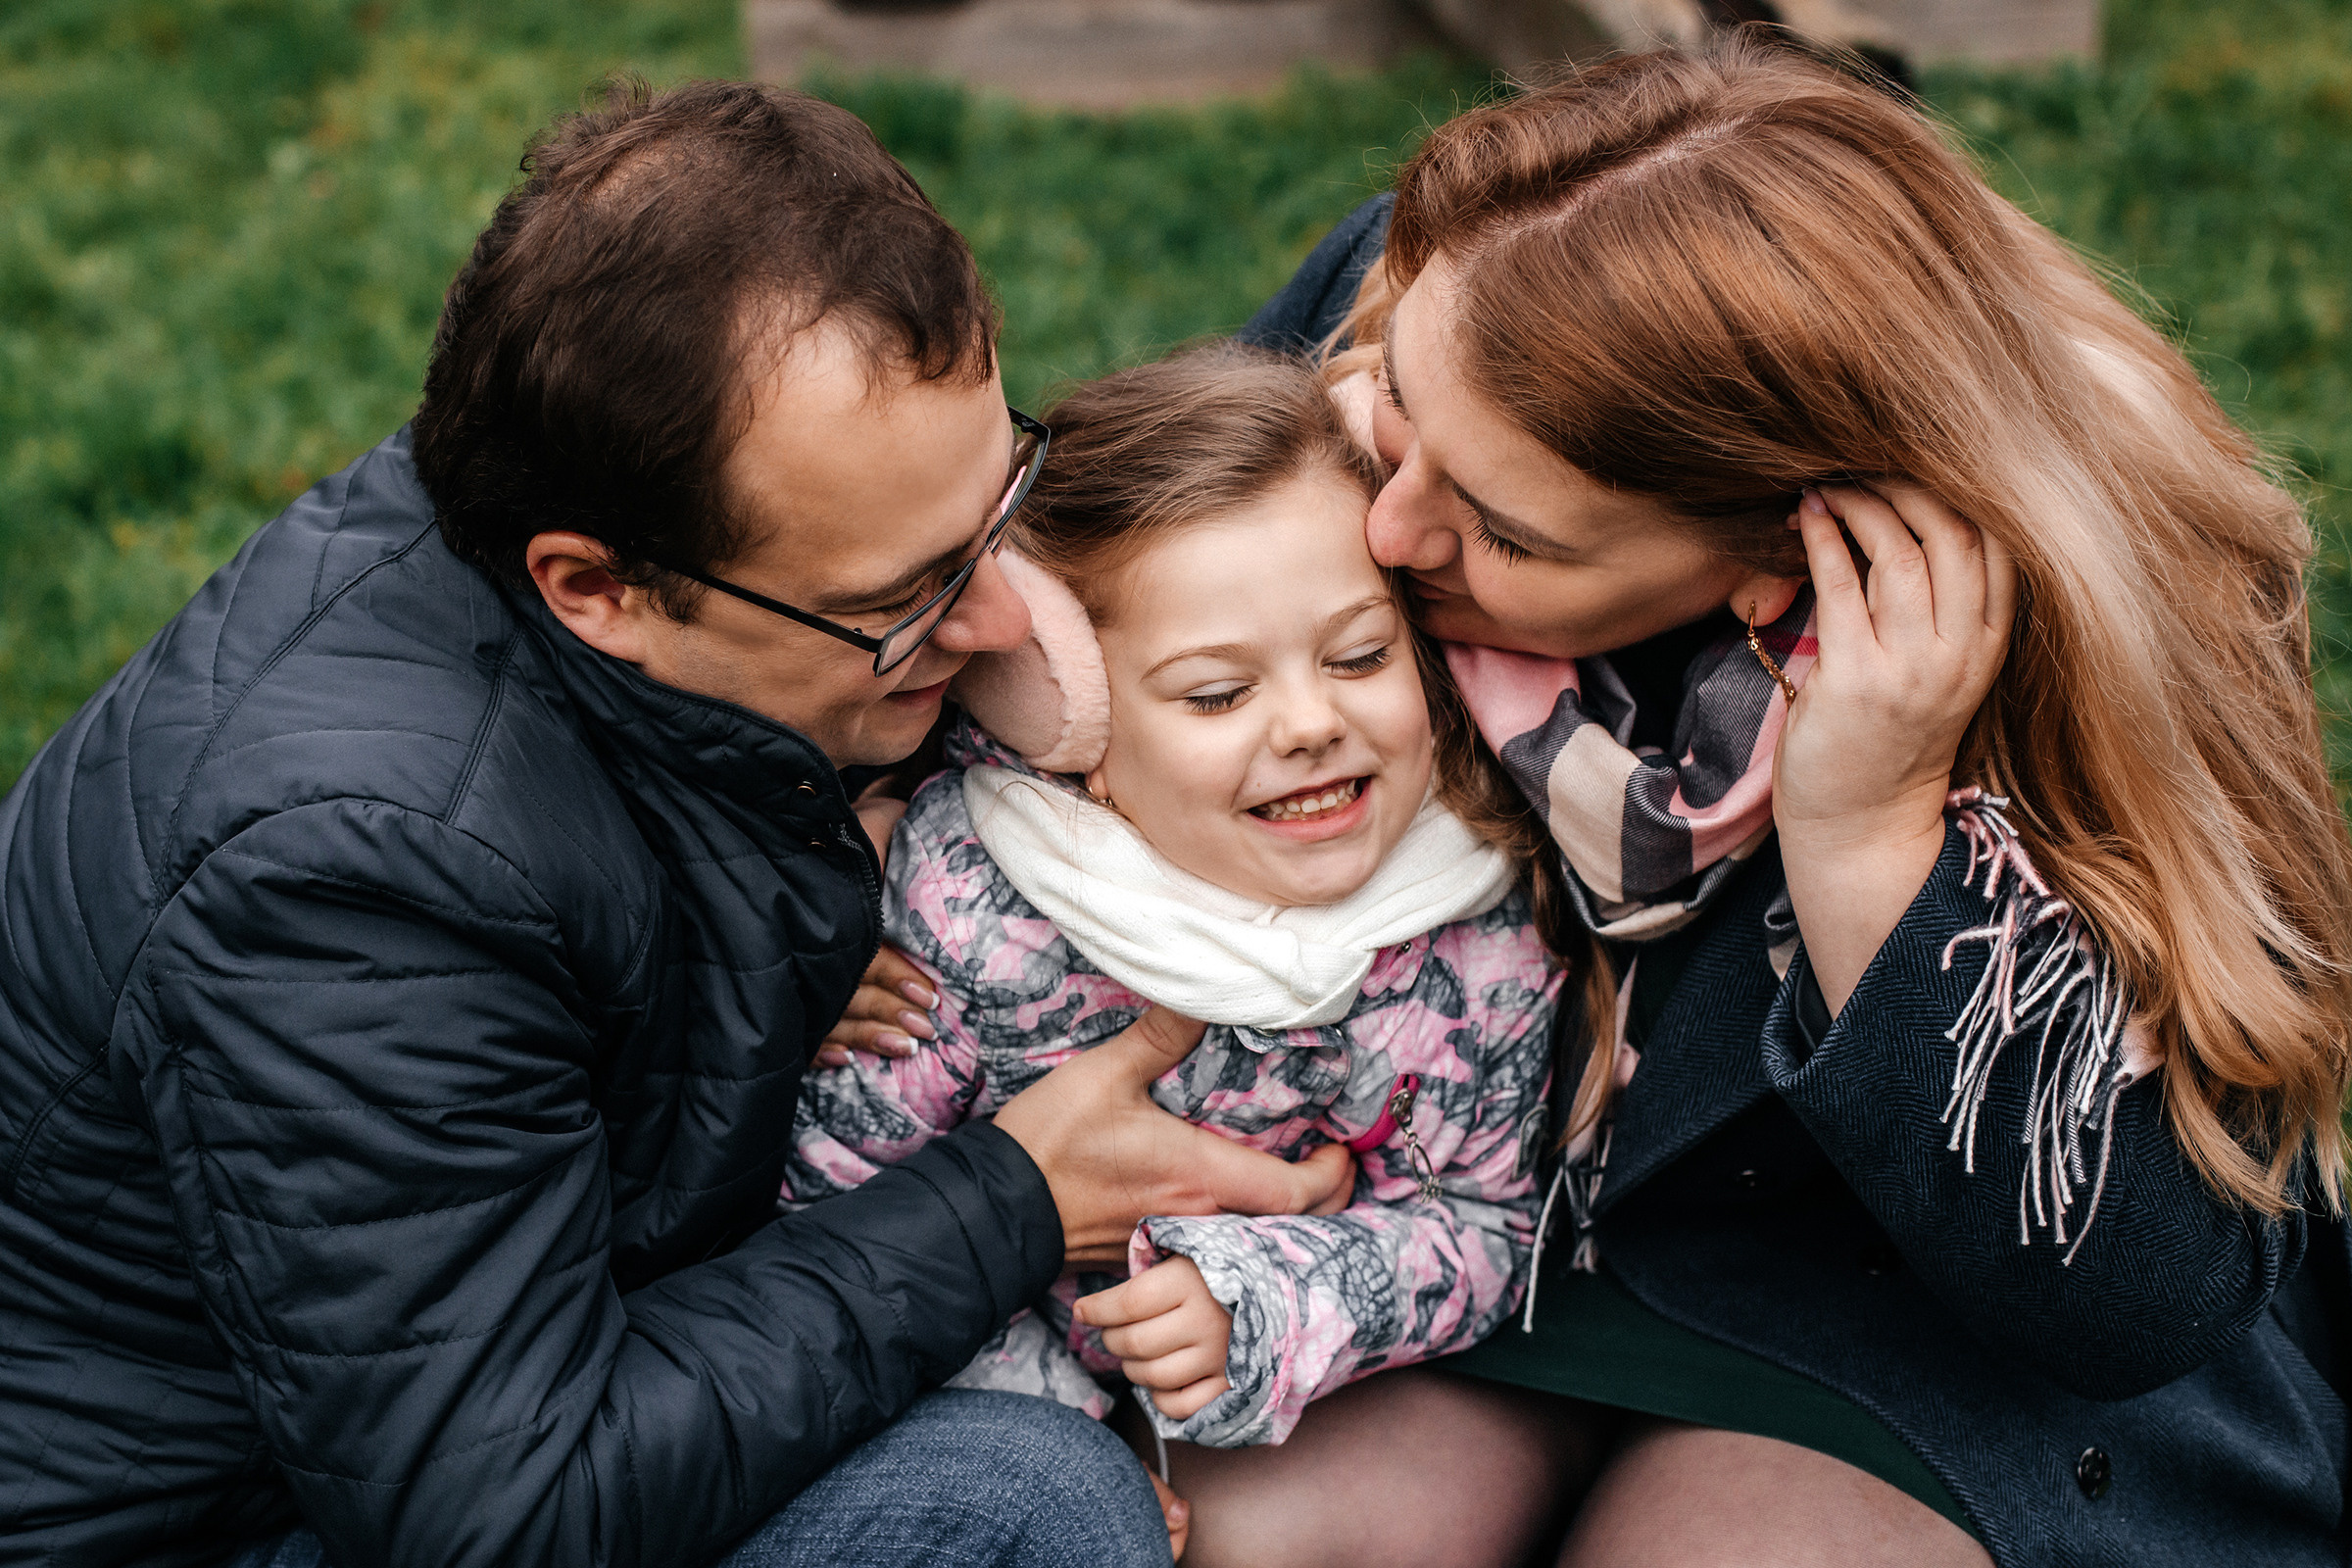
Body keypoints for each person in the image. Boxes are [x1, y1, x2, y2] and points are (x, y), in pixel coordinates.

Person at [0, 80, 1352, 1568]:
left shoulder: (633, 501)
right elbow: (508, 1514)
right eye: (896, 601)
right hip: (216, 1525)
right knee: (1020, 1504)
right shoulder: (355, 884)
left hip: (424, 1407)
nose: (988, 620)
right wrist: (1016, 1199)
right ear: (599, 588)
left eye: (998, 503)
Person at [1169, 37, 2352, 1568]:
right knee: (1266, 1530)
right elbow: (1095, 616)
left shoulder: (2091, 627)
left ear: (1775, 557)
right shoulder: (1437, 308)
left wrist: (1871, 837)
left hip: (1910, 1309)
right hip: (1469, 1203)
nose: (1389, 531)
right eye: (1404, 420)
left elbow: (2130, 1282)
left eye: (1507, 534)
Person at [784, 345, 1563, 1552]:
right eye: (1214, 694)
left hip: (1308, 1386)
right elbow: (834, 1218)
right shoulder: (966, 914)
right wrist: (1040, 1427)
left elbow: (1483, 1224)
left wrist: (1265, 1299)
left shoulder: (1466, 926)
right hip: (998, 1375)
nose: (1312, 724)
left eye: (1360, 656)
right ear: (1069, 715)